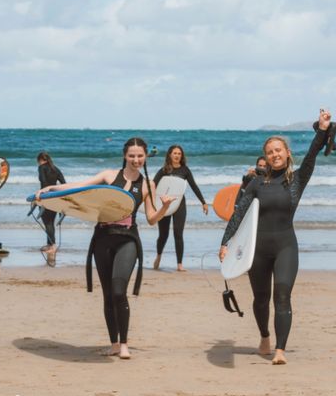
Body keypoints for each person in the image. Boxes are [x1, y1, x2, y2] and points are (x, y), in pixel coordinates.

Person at [36, 137, 173, 360]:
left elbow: (150, 219)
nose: (136, 160)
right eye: (132, 156)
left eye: (140, 156)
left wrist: (165, 207)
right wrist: (51, 189)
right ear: (124, 156)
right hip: (103, 238)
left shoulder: (149, 185)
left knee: (119, 292)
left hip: (128, 240)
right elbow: (81, 187)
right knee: (108, 295)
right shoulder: (109, 176)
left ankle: (125, 344)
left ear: (145, 156)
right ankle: (114, 344)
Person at [219, 110, 333, 365]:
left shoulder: (297, 179)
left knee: (283, 295)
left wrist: (323, 130)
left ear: (287, 153)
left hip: (285, 246)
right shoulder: (256, 184)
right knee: (261, 298)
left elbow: (313, 154)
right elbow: (239, 214)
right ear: (266, 157)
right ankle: (264, 337)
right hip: (257, 248)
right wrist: (225, 243)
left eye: (278, 150)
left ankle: (280, 350)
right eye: (270, 151)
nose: (275, 154)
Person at [153, 145, 208, 272]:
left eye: (179, 153)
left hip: (179, 204)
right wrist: (150, 202)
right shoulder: (163, 170)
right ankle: (159, 255)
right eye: (174, 153)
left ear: (181, 156)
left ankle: (179, 264)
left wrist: (203, 202)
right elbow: (153, 186)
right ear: (170, 155)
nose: (177, 155)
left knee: (178, 233)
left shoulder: (185, 170)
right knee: (163, 234)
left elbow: (194, 186)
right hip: (164, 204)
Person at [36, 152, 66, 257]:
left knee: (47, 222)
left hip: (45, 197)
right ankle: (50, 244)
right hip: (55, 197)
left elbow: (43, 182)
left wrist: (43, 194)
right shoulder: (55, 168)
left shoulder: (41, 168)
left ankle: (52, 245)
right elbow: (64, 184)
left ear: (40, 160)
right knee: (51, 222)